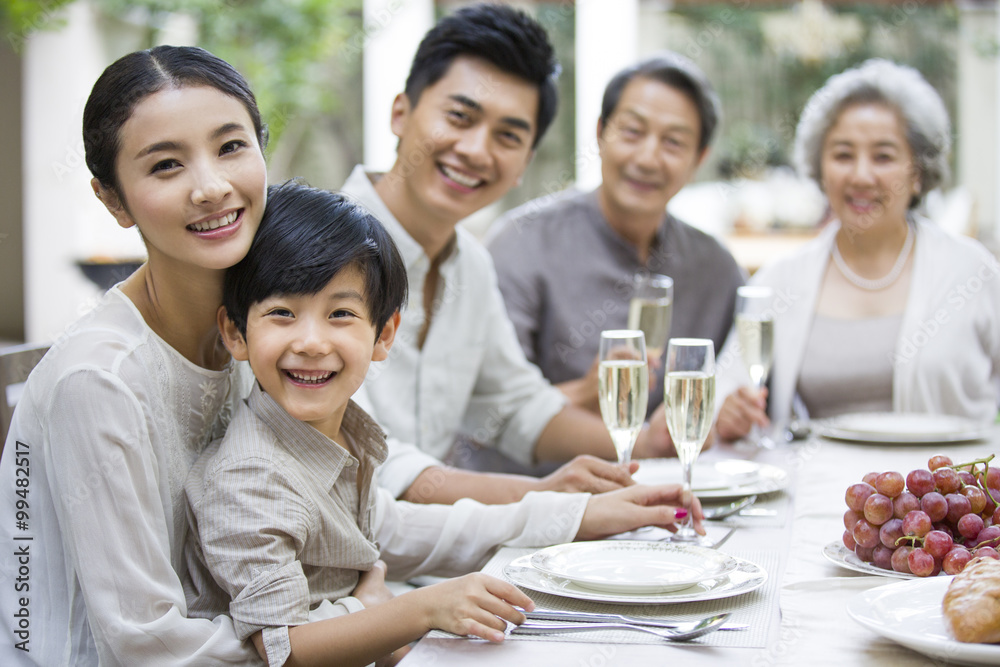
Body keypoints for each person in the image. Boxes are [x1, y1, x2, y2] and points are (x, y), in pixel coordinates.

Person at [185, 180, 700, 667]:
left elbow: (408, 529)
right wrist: (416, 610)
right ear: (235, 332)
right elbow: (288, 648)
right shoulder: (250, 476)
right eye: (282, 314)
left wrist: (580, 513)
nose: (312, 341)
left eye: (340, 314)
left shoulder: (333, 438)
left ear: (384, 334)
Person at [0, 46, 329, 665]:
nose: (211, 187)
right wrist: (357, 623)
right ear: (114, 201)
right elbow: (148, 645)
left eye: (231, 147)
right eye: (166, 165)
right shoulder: (99, 382)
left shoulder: (257, 328)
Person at [341, 3, 675, 505]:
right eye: (460, 117)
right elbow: (369, 465)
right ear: (400, 112)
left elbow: (519, 407)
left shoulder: (471, 265)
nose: (477, 150)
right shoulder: (321, 249)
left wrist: (647, 442)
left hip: (431, 553)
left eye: (508, 136)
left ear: (523, 164)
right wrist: (542, 496)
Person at [715, 59, 1000, 441]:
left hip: (948, 496)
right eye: (843, 155)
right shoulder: (780, 279)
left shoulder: (972, 272)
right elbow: (723, 393)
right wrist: (727, 414)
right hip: (815, 495)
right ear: (820, 169)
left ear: (918, 172)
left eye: (883, 156)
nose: (861, 176)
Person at [485, 52, 744, 420]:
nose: (648, 158)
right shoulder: (523, 242)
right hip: (543, 476)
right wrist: (584, 393)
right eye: (632, 132)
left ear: (699, 158)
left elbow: (739, 384)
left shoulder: (715, 267)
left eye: (673, 142)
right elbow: (490, 411)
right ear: (600, 133)